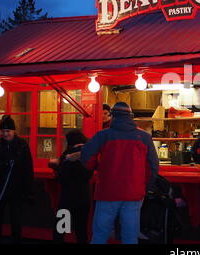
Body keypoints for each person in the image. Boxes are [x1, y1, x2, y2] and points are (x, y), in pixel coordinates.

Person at [68, 102, 159, 244]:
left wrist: (98, 166)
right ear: (131, 116)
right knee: (130, 236)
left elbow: (86, 156)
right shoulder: (144, 137)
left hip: (107, 191)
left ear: (113, 116)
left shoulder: (103, 135)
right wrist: (143, 188)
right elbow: (153, 167)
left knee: (100, 235)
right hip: (133, 193)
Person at [0, 115, 34, 244]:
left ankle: (16, 241)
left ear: (14, 131)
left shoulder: (22, 146)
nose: (5, 134)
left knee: (16, 219)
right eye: (3, 131)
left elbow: (28, 168)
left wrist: (29, 191)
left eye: (8, 131)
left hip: (16, 189)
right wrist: (2, 165)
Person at [51, 129, 93, 244]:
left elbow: (62, 177)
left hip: (68, 198)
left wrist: (56, 167)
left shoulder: (69, 155)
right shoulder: (89, 153)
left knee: (61, 228)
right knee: (81, 229)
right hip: (84, 196)